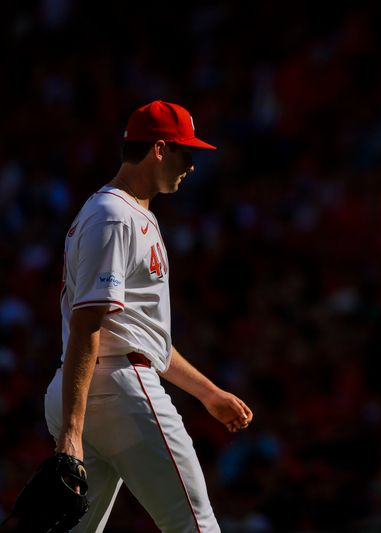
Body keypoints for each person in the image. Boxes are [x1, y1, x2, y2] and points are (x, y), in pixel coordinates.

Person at [44, 100, 253, 532]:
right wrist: (70, 433)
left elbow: (140, 335)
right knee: (194, 525)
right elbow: (89, 324)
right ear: (160, 148)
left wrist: (208, 393)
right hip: (118, 390)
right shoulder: (115, 216)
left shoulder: (124, 212)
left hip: (99, 384)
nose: (191, 165)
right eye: (185, 152)